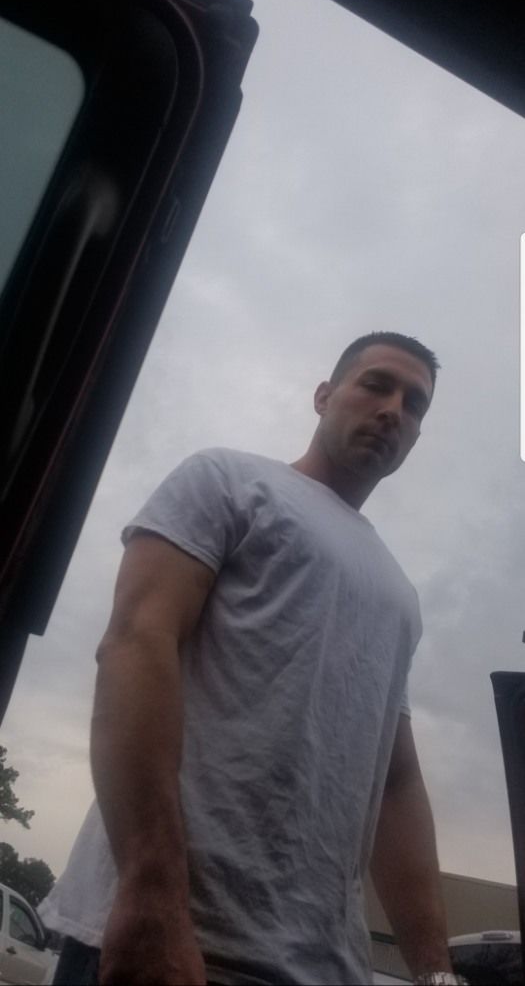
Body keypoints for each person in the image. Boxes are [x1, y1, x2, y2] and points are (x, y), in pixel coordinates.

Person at [39, 331, 466, 986]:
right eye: (375, 385)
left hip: (320, 968)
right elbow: (135, 644)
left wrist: (436, 975)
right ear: (323, 396)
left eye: (415, 405)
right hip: (172, 943)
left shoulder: (399, 595)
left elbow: (396, 781)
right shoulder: (229, 480)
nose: (393, 410)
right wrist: (151, 897)